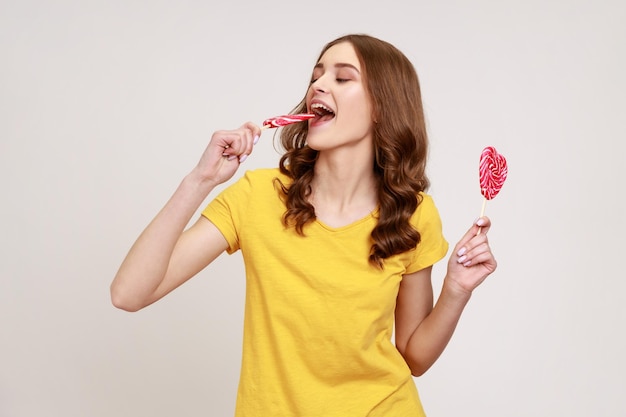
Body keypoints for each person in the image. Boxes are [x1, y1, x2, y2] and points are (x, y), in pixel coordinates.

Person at [111, 33, 497, 416]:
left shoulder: (413, 213)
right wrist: (200, 180)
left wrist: (456, 289)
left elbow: (414, 358)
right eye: (316, 76)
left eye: (342, 78)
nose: (319, 85)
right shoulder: (257, 196)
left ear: (382, 107)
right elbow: (129, 294)